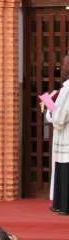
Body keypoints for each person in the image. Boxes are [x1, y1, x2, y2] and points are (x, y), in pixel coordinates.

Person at [47, 54, 69, 215]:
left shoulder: (67, 89)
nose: (62, 67)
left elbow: (60, 118)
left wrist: (49, 108)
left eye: (64, 64)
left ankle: (64, 205)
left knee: (65, 168)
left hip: (66, 134)